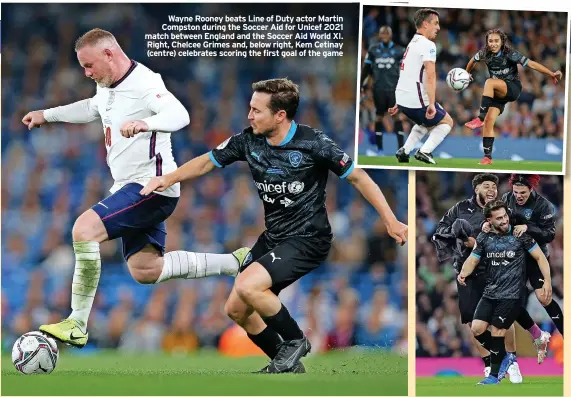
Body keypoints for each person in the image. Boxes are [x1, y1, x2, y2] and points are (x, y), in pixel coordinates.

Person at [140, 78, 408, 373]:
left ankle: (296, 341)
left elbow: (359, 177)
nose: (249, 115)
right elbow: (207, 161)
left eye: (256, 110)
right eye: (250, 108)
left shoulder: (314, 143)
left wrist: (390, 220)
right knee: (236, 308)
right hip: (274, 238)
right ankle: (286, 362)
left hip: (309, 238)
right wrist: (169, 178)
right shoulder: (248, 140)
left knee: (247, 285)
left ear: (280, 115)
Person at [22, 28, 248, 348]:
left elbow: (179, 115)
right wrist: (48, 114)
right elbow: (91, 108)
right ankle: (234, 262)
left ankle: (77, 322)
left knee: (84, 229)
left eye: (89, 66)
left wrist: (148, 123)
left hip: (150, 187)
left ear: (109, 55)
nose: (86, 73)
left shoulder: (146, 83)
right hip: (130, 188)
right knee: (146, 270)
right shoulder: (107, 87)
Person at [432, 174, 520, 383]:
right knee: (474, 322)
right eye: (486, 186)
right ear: (476, 189)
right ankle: (491, 364)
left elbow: (511, 237)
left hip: (495, 271)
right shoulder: (460, 209)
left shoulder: (501, 210)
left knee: (502, 318)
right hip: (468, 273)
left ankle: (513, 362)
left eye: (494, 187)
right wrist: (460, 237)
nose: (491, 190)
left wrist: (479, 243)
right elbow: (441, 231)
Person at [458, 200, 552, 385]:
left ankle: (494, 376)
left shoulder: (520, 236)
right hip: (491, 292)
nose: (504, 220)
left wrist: (547, 281)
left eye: (505, 216)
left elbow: (540, 257)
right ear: (489, 220)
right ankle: (510, 353)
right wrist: (463, 273)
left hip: (514, 293)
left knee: (498, 330)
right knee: (476, 329)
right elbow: (473, 259)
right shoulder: (484, 238)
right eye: (498, 218)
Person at [464, 29, 563, 165]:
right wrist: (466, 73)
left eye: (496, 41)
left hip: (512, 88)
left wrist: (551, 73)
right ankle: (488, 157)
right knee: (489, 120)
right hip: (498, 93)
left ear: (502, 42)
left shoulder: (510, 53)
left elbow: (531, 64)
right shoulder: (483, 53)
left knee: (489, 82)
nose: (493, 44)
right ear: (487, 42)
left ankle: (479, 118)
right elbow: (472, 61)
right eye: (490, 41)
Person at [500, 174, 564, 336]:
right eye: (516, 192)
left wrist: (528, 228)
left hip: (537, 255)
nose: (518, 196)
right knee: (509, 298)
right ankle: (534, 335)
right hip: (514, 255)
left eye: (523, 192)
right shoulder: (507, 199)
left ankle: (566, 333)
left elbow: (549, 235)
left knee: (544, 297)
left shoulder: (544, 206)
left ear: (531, 188)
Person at [389, 8, 453, 165]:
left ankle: (405, 150)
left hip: (403, 97)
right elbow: (430, 75)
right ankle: (424, 151)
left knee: (424, 123)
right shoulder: (428, 44)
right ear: (425, 24)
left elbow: (406, 72)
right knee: (447, 122)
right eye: (435, 23)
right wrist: (431, 103)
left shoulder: (412, 43)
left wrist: (399, 101)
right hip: (416, 98)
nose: (438, 28)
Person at [360, 25, 406, 154]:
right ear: (379, 35)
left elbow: (405, 70)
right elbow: (366, 70)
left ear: (390, 35)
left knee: (397, 117)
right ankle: (379, 149)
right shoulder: (373, 50)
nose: (385, 35)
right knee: (379, 117)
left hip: (394, 90)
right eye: (382, 33)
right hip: (378, 89)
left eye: (387, 33)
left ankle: (401, 148)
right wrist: (361, 85)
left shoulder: (399, 51)